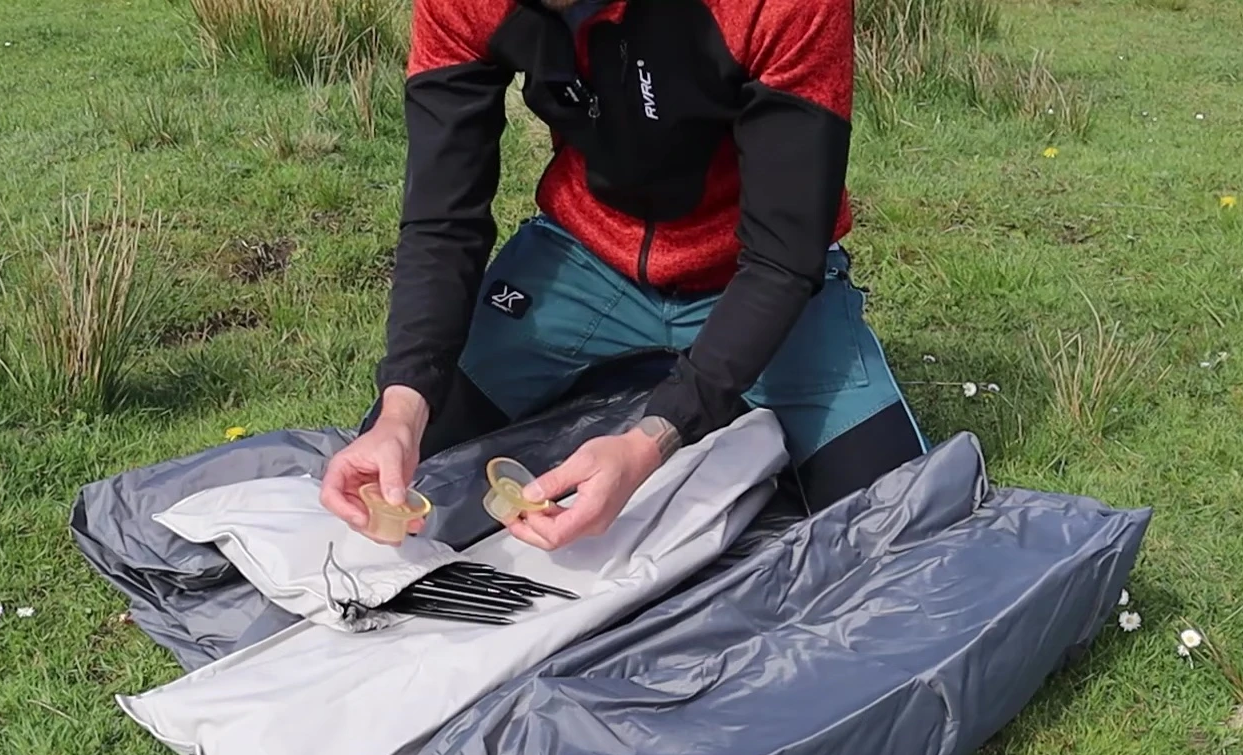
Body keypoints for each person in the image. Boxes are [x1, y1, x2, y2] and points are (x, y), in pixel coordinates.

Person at [319, 0, 926, 549]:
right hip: (585, 257)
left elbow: (783, 256)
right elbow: (443, 217)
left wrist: (651, 443)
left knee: (894, 521)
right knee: (404, 454)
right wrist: (404, 403)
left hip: (750, 271)